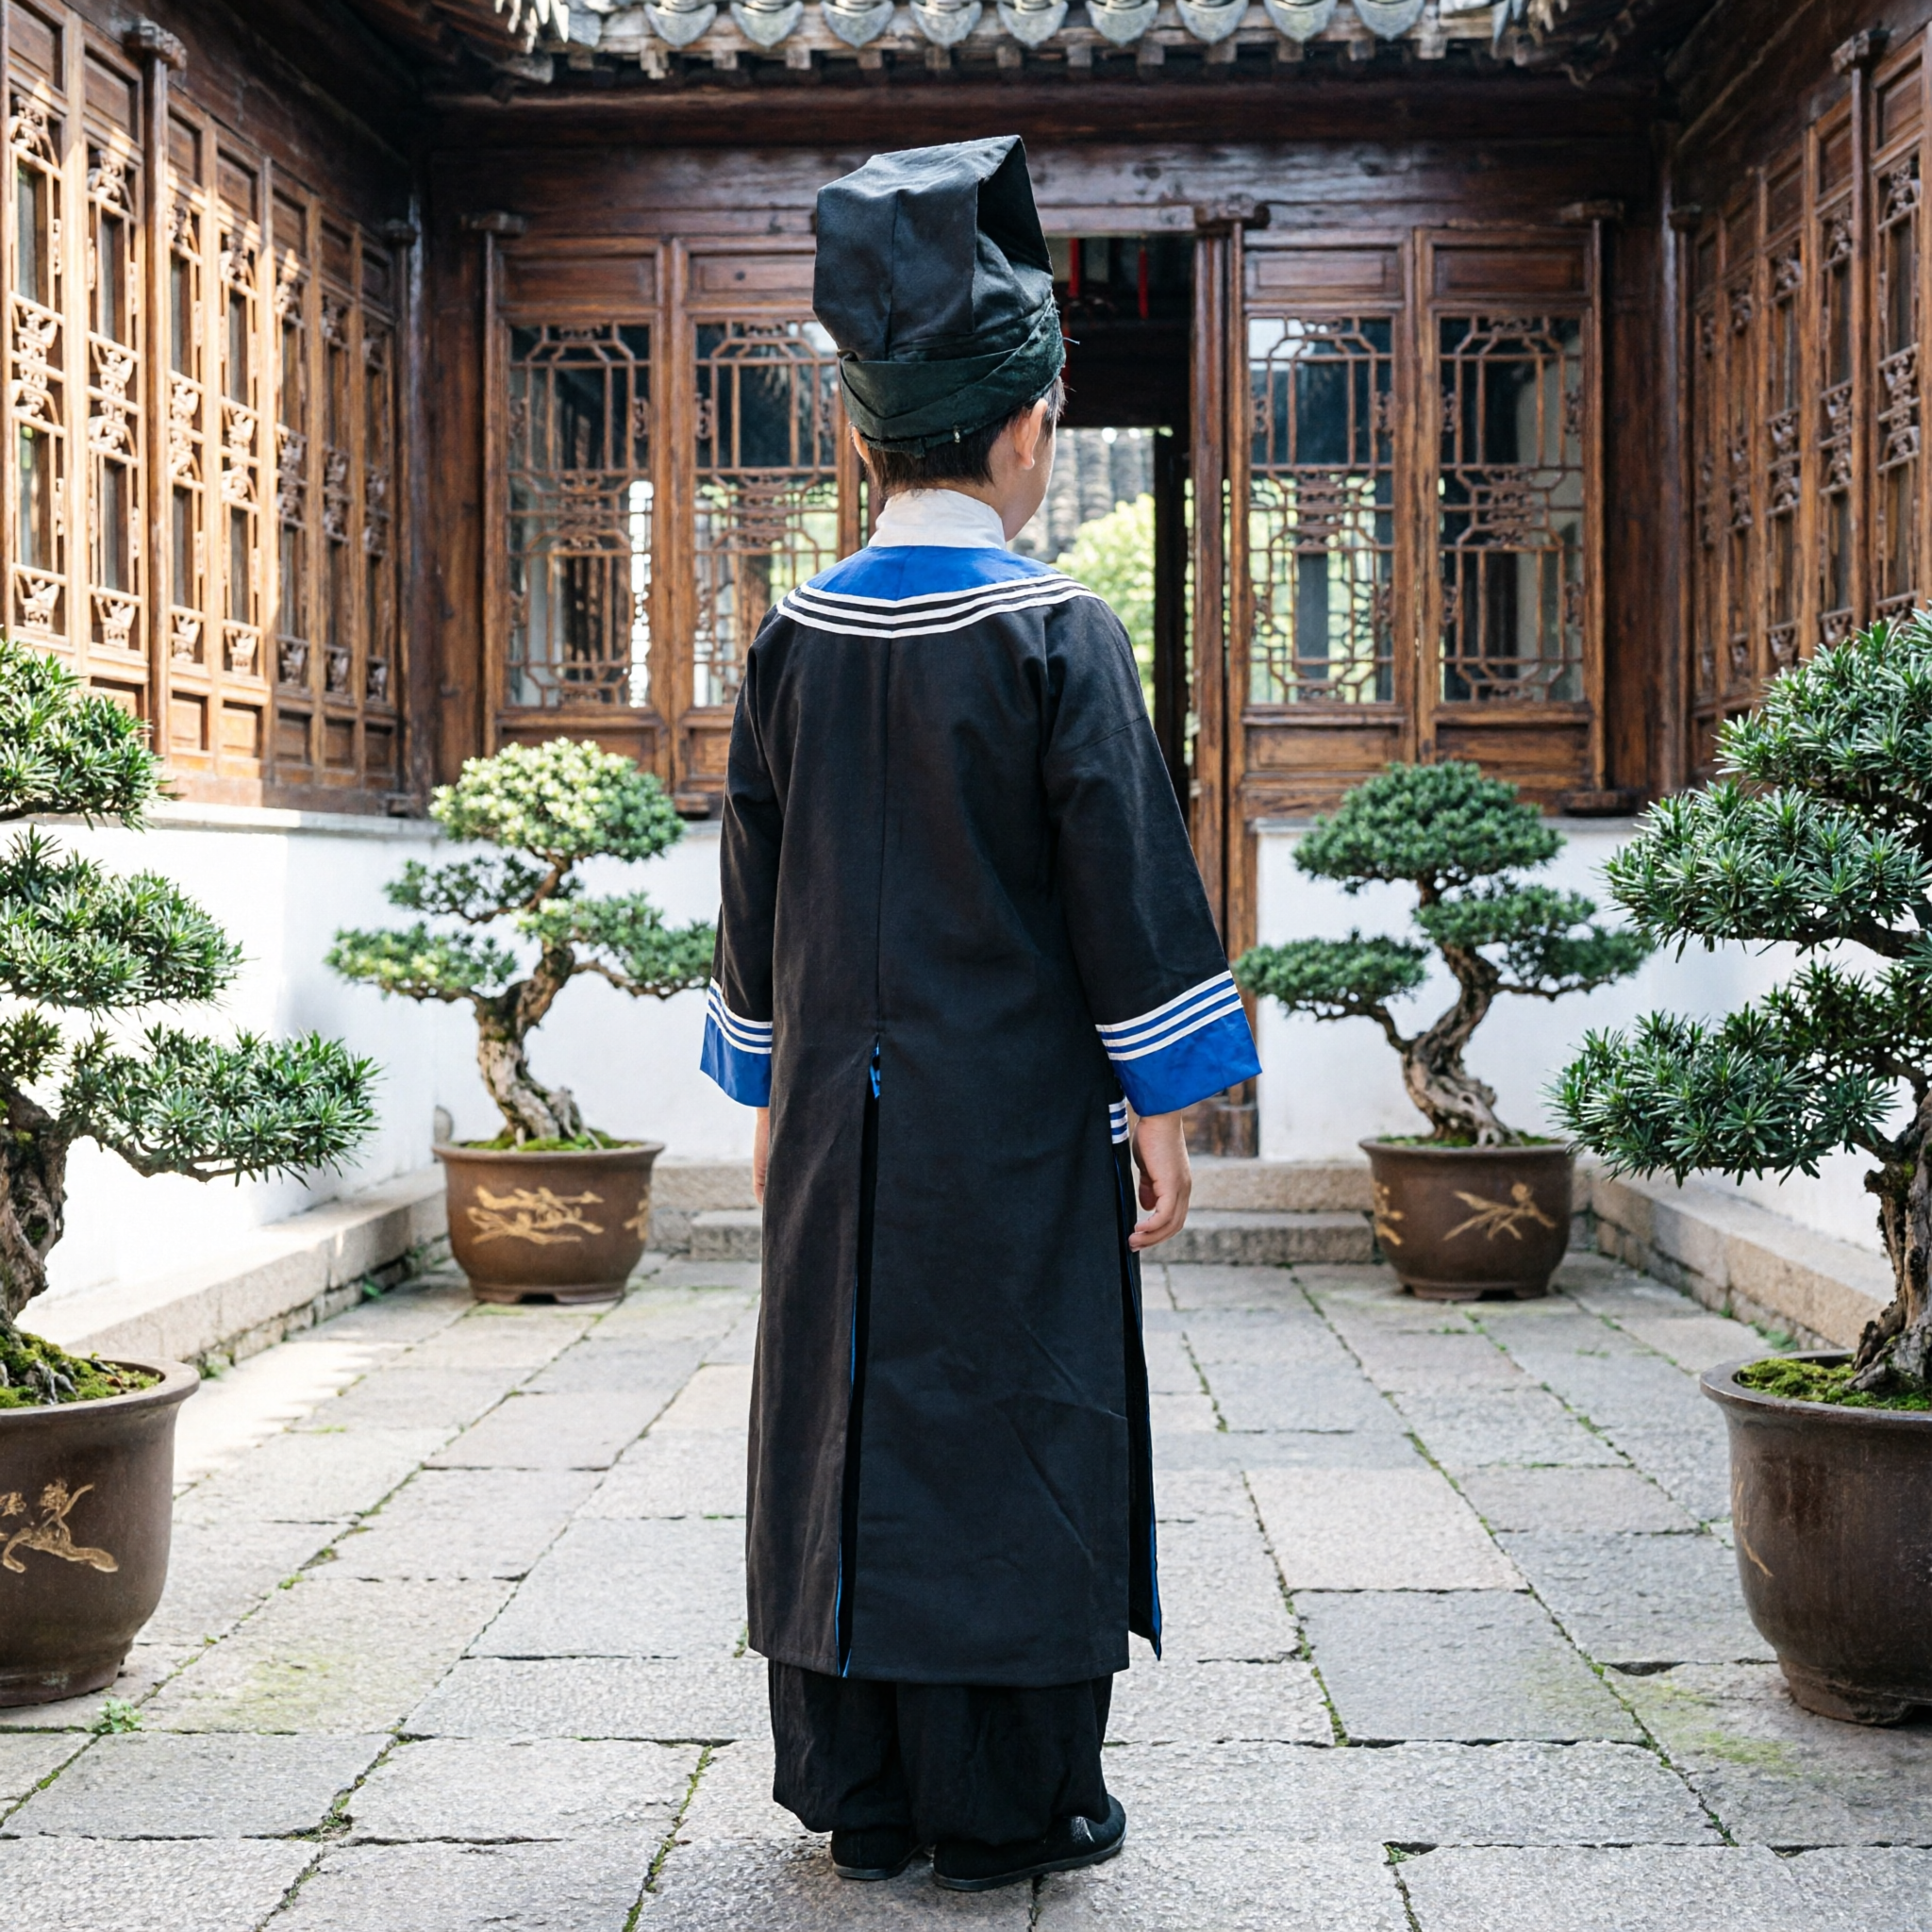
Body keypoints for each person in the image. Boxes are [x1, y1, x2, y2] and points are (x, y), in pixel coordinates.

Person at [699, 135, 1261, 1895]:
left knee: (841, 1411)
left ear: (866, 438)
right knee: (1015, 1414)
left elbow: (756, 910)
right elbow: (1127, 895)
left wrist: (773, 1097)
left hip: (840, 1148)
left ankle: (859, 1786)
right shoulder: (1056, 634)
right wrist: (1162, 1111)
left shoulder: (793, 637)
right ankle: (1015, 1797)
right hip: (1014, 1133)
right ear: (1029, 436)